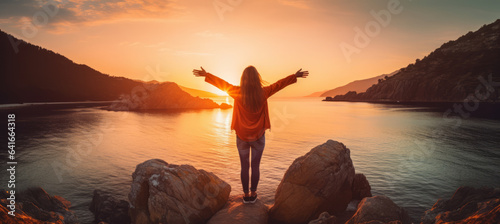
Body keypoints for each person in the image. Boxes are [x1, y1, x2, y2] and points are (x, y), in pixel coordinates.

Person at [193, 66, 308, 203]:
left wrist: (207, 75)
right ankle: (253, 194)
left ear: (243, 79)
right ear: (257, 78)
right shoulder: (264, 92)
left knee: (244, 166)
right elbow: (279, 85)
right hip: (258, 136)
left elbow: (222, 84)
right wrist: (294, 76)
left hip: (242, 136)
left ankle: (246, 195)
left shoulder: (237, 92)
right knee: (255, 166)